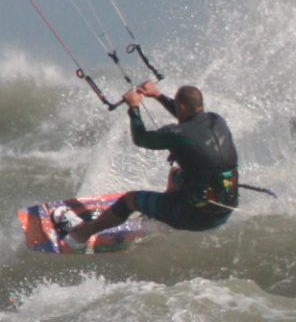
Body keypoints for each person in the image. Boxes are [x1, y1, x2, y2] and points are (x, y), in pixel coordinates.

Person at [53, 81, 239, 249]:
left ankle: (81, 234)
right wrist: (157, 95)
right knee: (176, 173)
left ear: (181, 106)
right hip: (224, 210)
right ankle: (158, 218)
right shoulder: (216, 121)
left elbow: (141, 139)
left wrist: (134, 107)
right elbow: (190, 122)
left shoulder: (179, 134)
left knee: (130, 200)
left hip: (196, 217)